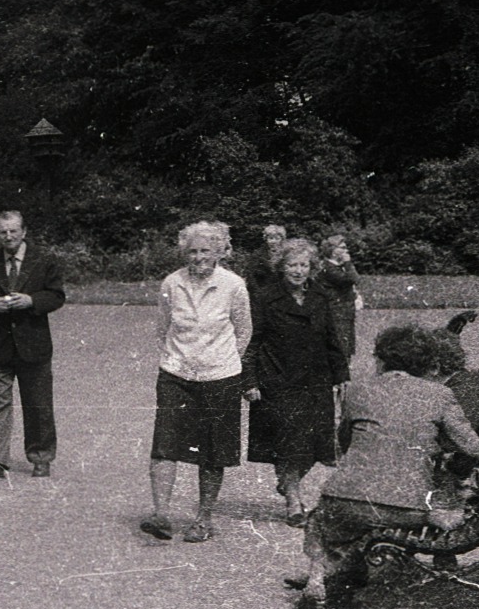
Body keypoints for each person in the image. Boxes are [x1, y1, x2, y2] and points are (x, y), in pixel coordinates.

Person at [292, 323, 479, 609]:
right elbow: (473, 447)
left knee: (323, 517)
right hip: (406, 507)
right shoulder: (439, 395)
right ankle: (343, 575)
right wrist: (441, 453)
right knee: (373, 515)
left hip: (345, 499)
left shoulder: (358, 390)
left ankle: (319, 577)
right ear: (426, 363)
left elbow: (344, 441)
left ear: (381, 359)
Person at [141, 221, 252, 543]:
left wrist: (219, 360)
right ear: (183, 253)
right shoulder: (171, 283)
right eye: (192, 251)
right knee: (164, 445)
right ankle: (161, 515)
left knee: (213, 452)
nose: (199, 257)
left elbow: (244, 331)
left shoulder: (234, 285)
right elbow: (162, 328)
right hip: (176, 375)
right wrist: (181, 360)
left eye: (205, 250)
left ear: (219, 252)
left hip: (220, 377)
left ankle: (204, 519)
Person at [243, 239, 350, 525]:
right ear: (282, 267)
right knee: (289, 442)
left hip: (316, 380)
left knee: (317, 444)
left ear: (311, 267)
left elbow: (332, 339)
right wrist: (249, 380)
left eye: (303, 265)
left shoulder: (320, 295)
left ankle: (288, 481)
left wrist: (342, 375)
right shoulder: (265, 297)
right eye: (292, 265)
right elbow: (252, 341)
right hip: (278, 379)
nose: (298, 270)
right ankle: (293, 500)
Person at [0, 210, 67, 482]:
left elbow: (57, 296)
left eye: (13, 231)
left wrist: (31, 301)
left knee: (38, 404)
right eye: (3, 232)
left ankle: (41, 457)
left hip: (34, 345)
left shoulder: (44, 260)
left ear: (24, 232)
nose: (8, 237)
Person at [312, 233, 361, 361]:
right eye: (342, 248)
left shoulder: (337, 267)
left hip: (344, 310)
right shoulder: (329, 268)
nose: (346, 250)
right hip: (337, 310)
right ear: (333, 250)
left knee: (346, 343)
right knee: (340, 343)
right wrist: (348, 263)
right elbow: (354, 279)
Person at [246, 223, 288, 293]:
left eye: (277, 238)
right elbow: (251, 275)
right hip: (262, 291)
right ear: (266, 239)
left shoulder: (287, 254)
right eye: (271, 238)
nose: (274, 241)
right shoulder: (258, 254)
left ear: (282, 239)